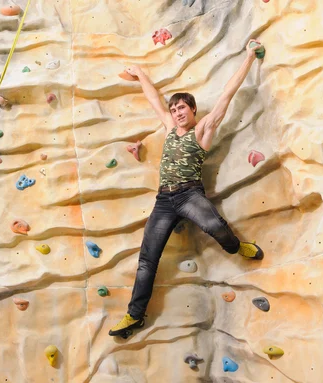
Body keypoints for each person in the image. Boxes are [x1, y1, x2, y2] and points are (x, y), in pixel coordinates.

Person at [109, 39, 265, 338]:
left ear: (192, 110)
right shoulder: (169, 128)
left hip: (190, 194)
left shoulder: (202, 130)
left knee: (214, 226)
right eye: (174, 109)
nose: (177, 112)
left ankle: (235, 247)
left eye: (182, 108)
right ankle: (134, 315)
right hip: (164, 200)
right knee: (147, 260)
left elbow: (226, 96)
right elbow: (154, 100)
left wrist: (248, 57)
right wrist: (140, 74)